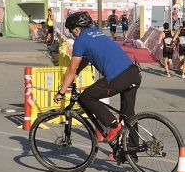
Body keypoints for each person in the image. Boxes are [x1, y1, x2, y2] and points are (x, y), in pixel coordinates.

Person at [56, 11, 141, 144]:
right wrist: (77, 73)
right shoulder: (97, 32)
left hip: (118, 77)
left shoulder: (80, 40)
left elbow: (71, 69)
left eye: (72, 30)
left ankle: (112, 125)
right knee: (128, 114)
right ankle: (131, 151)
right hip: (133, 74)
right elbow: (87, 57)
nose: (72, 34)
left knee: (86, 97)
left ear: (77, 29)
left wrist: (61, 92)